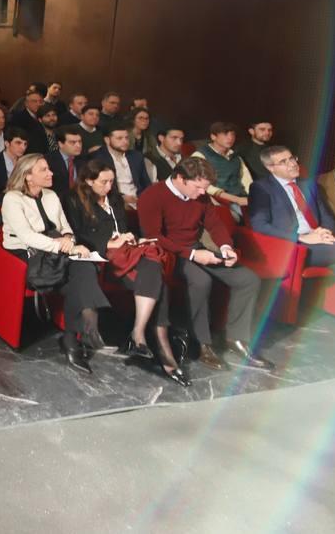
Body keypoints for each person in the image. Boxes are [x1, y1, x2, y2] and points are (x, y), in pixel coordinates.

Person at [250, 146, 335, 358]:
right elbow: (259, 225)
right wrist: (301, 237)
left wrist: (323, 232)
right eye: (284, 161)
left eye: (292, 158)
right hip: (294, 248)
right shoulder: (261, 188)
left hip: (320, 245)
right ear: (270, 167)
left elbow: (329, 219)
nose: (292, 164)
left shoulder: (309, 185)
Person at [136, 156, 270, 371]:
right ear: (180, 178)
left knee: (248, 279)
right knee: (201, 281)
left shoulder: (200, 195)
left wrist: (226, 247)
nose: (202, 193)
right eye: (198, 187)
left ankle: (236, 339)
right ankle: (201, 344)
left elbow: (214, 224)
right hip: (168, 254)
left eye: (205, 188)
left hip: (195, 249)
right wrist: (192, 255)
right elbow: (153, 237)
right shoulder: (152, 195)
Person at [67, 162, 188, 387]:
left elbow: (122, 226)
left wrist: (128, 237)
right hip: (102, 259)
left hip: (126, 255)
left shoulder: (114, 199)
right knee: (156, 274)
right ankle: (158, 348)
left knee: (153, 266)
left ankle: (139, 333)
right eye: (103, 182)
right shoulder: (74, 200)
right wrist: (110, 242)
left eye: (112, 181)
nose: (109, 186)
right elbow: (79, 234)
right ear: (88, 181)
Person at [0, 155, 109, 375]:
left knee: (84, 267)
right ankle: (85, 325)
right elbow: (27, 236)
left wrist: (68, 239)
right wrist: (64, 246)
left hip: (56, 250)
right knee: (79, 276)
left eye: (49, 168)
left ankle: (73, 337)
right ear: (28, 176)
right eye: (43, 170)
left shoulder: (50, 195)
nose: (51, 173)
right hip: (28, 253)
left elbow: (64, 226)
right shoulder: (12, 199)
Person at [197, 122, 251, 222]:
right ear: (213, 136)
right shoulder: (201, 155)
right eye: (226, 134)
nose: (230, 138)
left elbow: (246, 179)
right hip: (220, 200)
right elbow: (201, 185)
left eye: (232, 134)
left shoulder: (236, 157)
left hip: (242, 196)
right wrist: (236, 200)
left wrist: (252, 197)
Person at [100, 124, 151, 210]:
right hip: (115, 201)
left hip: (138, 200)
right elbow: (99, 187)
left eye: (126, 138)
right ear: (107, 140)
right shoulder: (99, 158)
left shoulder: (136, 156)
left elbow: (145, 183)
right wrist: (122, 198)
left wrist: (143, 199)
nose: (125, 142)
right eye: (119, 138)